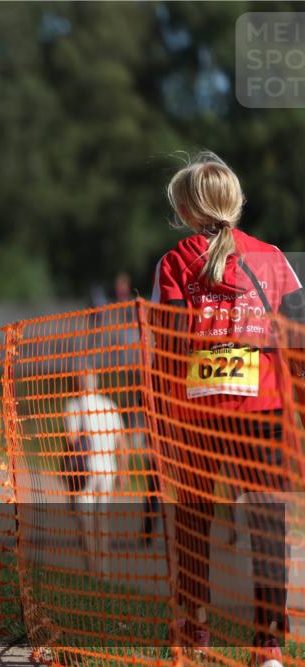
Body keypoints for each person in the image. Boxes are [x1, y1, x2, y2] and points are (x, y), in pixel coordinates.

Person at [152, 152, 303, 666]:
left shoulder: (174, 263)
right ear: (235, 203)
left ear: (185, 209)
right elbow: (300, 343)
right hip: (264, 412)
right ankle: (269, 648)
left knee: (194, 525)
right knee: (268, 528)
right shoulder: (274, 259)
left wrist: (159, 415)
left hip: (197, 415)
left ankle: (194, 632)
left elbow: (167, 347)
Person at [61, 367, 126, 576]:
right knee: (102, 518)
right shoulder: (110, 405)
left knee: (85, 520)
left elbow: (71, 440)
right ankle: (103, 568)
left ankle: (91, 569)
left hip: (86, 470)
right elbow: (121, 442)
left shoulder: (73, 405)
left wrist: (64, 467)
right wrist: (123, 472)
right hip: (108, 469)